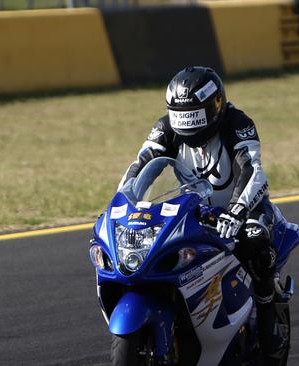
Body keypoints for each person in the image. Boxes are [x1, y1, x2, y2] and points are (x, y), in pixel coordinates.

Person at [120, 66, 282, 356]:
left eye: (196, 117)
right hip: (192, 211)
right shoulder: (166, 127)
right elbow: (141, 165)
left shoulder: (237, 122)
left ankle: (269, 319)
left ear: (215, 106)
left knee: (255, 240)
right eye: (182, 117)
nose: (189, 127)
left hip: (241, 208)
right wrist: (121, 201)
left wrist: (236, 211)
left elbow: (253, 169)